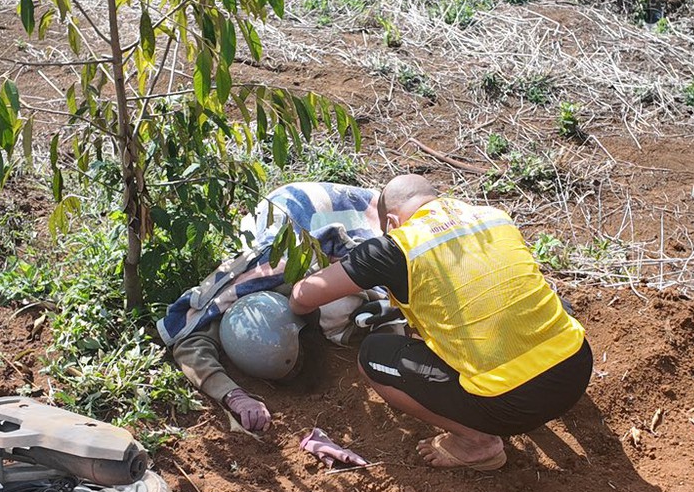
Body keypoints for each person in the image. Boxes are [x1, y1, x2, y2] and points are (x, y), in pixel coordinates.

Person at [289, 173, 593, 471]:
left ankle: (477, 442)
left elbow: (303, 297)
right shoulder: (492, 215)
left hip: (512, 406)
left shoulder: (395, 248)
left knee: (373, 357)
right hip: (576, 370)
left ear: (392, 223)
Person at [158, 182, 386, 433]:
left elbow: (345, 259)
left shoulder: (298, 285)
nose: (301, 364)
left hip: (300, 210)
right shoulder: (228, 313)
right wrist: (233, 395)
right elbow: (188, 344)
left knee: (340, 303)